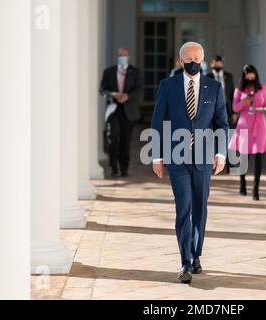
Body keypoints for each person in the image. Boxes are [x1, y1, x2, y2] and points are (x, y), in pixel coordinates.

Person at [151, 42, 229, 284]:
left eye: (197, 58)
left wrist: (221, 154)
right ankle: (185, 261)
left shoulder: (214, 88)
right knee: (183, 208)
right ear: (180, 60)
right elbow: (157, 120)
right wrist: (156, 155)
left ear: (203, 59)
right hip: (177, 157)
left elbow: (222, 124)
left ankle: (196, 254)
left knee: (200, 209)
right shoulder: (168, 86)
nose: (193, 62)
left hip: (205, 158)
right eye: (188, 59)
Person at [229, 65, 266, 201]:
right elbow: (235, 108)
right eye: (247, 74)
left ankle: (256, 189)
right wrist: (243, 101)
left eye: (252, 73)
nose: (250, 76)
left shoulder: (263, 88)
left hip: (259, 125)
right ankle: (242, 183)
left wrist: (264, 110)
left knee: (259, 156)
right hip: (244, 124)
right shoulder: (239, 90)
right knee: (243, 156)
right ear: (244, 75)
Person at [100, 48, 143, 178]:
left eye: (124, 55)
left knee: (125, 141)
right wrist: (113, 95)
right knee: (112, 138)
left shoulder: (135, 72)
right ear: (117, 57)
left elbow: (139, 89)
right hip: (113, 109)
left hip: (128, 111)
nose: (122, 57)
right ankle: (114, 168)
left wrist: (127, 96)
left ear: (128, 57)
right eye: (120, 55)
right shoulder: (109, 72)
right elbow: (102, 90)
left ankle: (124, 168)